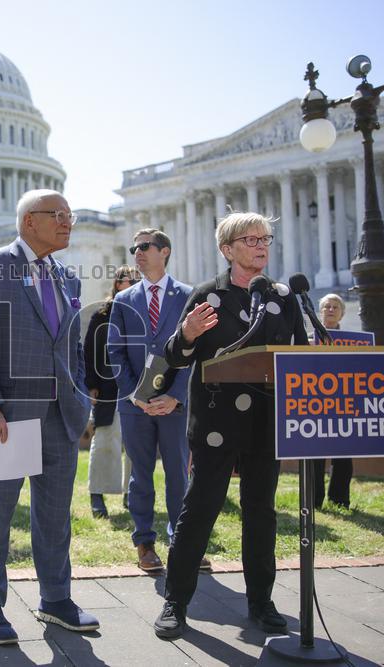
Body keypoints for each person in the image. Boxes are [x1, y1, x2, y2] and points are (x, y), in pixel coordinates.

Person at [153, 212, 308, 639]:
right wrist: (186, 333)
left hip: (265, 424)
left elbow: (300, 357)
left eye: (265, 238)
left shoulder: (281, 298)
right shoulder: (208, 295)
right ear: (228, 249)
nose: (261, 245)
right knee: (199, 510)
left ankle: (260, 601)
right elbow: (175, 357)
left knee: (261, 513)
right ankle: (175, 601)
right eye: (251, 239)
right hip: (216, 424)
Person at [0, 189, 98, 645]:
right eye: (58, 215)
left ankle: (56, 599)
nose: (67, 223)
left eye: (70, 216)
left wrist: (79, 400)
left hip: (60, 417)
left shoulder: (68, 278)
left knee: (55, 517)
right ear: (27, 221)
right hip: (6, 416)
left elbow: (71, 347)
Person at [108, 229, 209, 573]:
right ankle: (145, 543)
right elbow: (114, 352)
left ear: (164, 251)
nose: (137, 252)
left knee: (179, 475)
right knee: (141, 475)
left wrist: (176, 395)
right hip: (135, 407)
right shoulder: (123, 301)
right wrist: (135, 395)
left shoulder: (189, 296)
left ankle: (183, 543)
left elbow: (197, 352)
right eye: (134, 247)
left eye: (145, 246)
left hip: (175, 406)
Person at [83, 265, 138, 519]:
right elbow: (90, 351)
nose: (128, 285)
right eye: (124, 281)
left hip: (137, 387)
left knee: (136, 443)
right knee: (105, 439)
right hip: (107, 388)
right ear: (116, 284)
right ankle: (97, 494)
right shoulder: (102, 315)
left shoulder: (143, 313)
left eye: (133, 281)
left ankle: (132, 492)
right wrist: (92, 384)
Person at [311, 293, 352, 509]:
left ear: (342, 313)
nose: (330, 310)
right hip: (317, 402)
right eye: (327, 306)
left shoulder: (353, 340)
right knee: (316, 454)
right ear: (320, 311)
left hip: (342, 403)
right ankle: (315, 500)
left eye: (335, 306)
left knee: (344, 454)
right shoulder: (309, 338)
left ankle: (339, 499)